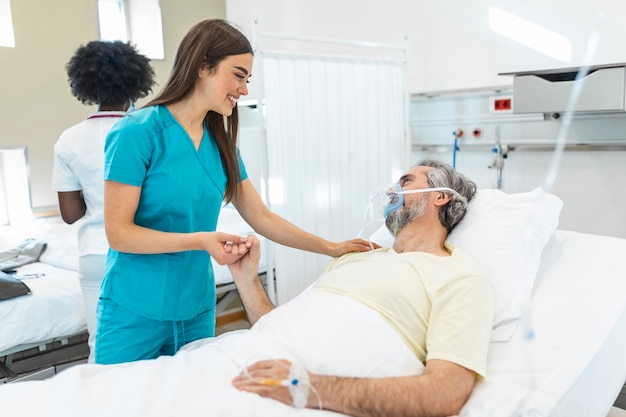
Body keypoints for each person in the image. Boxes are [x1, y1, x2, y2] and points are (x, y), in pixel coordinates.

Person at [98, 19, 372, 365]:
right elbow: (119, 234)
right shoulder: (137, 133)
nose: (244, 89)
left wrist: (331, 248)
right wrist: (201, 240)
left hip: (195, 309)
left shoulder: (222, 145)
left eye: (247, 79)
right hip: (134, 309)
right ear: (202, 67)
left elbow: (261, 217)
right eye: (238, 75)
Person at [228, 159, 496, 417]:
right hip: (244, 361)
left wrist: (306, 387)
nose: (392, 190)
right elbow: (277, 330)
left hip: (295, 393)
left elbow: (446, 393)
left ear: (440, 196)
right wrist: (246, 279)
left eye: (406, 181)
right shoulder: (356, 257)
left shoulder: (460, 277)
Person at [51, 40, 156, 362]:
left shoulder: (69, 139)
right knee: (150, 344)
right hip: (140, 249)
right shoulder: (149, 129)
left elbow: (70, 215)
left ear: (86, 85)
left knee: (101, 347)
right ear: (136, 83)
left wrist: (94, 190)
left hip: (94, 253)